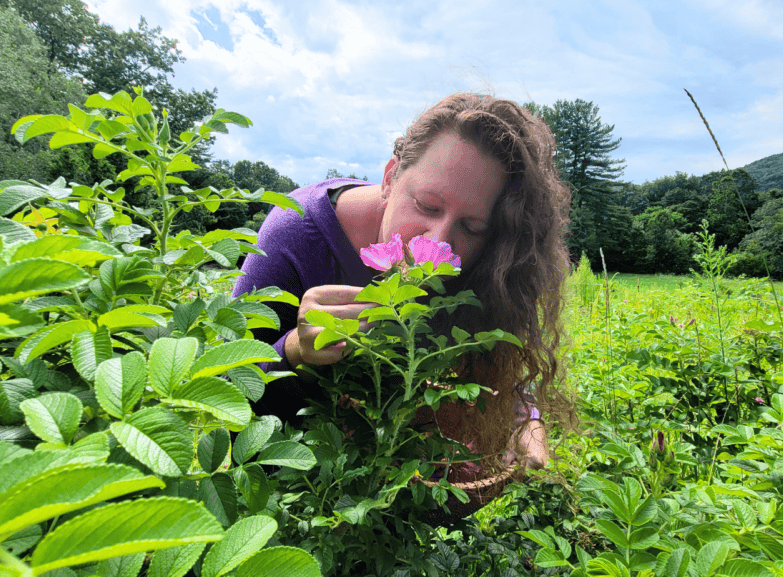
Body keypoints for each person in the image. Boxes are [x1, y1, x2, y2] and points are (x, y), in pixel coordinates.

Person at [231, 94, 573, 499]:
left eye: (473, 226)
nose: (439, 241)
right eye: (427, 205)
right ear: (390, 177)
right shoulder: (294, 235)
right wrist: (295, 350)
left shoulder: (482, 260)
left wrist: (526, 417)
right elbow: (230, 386)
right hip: (289, 470)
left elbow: (497, 347)